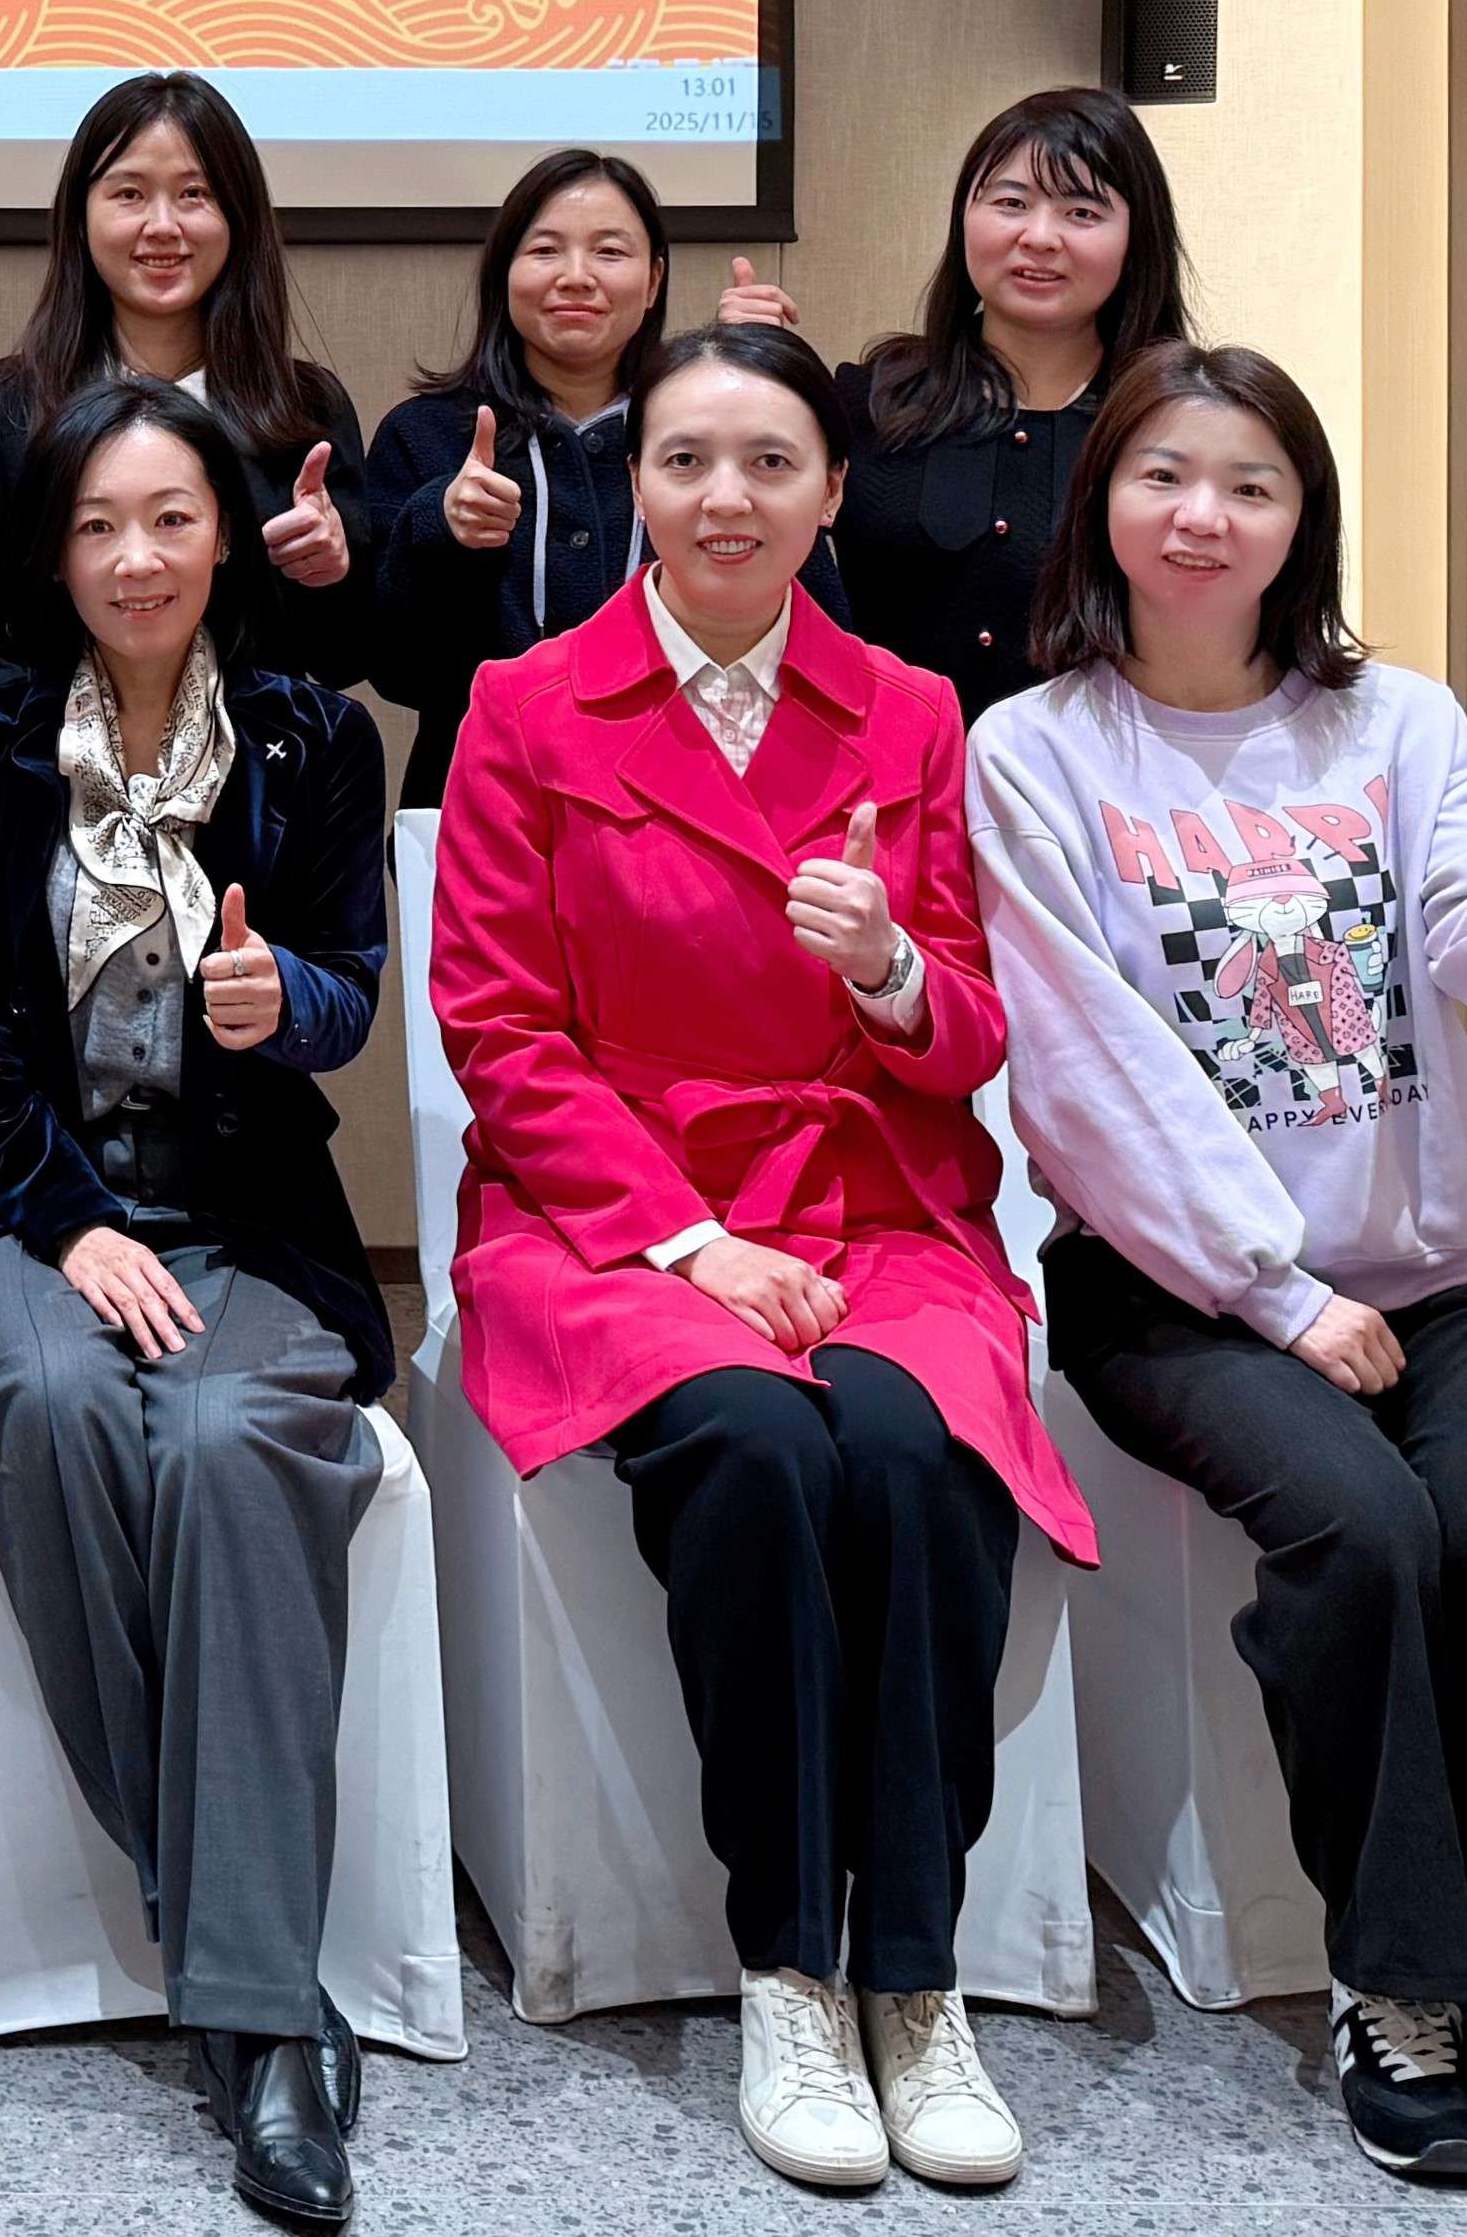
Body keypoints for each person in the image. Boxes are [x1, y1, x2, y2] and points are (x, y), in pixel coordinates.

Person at [976, 344, 1467, 2200]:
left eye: (1252, 484)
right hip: (1181, 1285)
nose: (1202, 517)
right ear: (1101, 503)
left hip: (1466, 1265)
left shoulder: (1397, 722)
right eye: (1163, 475)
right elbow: (1084, 1072)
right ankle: (1401, 1984)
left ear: (1304, 521)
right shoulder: (1033, 750)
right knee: (1366, 1533)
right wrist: (1278, 1292)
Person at [421, 320, 1094, 2198]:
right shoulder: (526, 704)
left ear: (833, 491)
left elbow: (972, 1029)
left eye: (772, 462)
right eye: (688, 460)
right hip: (612, 1213)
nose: (728, 497)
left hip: (873, 1199)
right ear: (634, 482)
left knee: (914, 1452)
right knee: (755, 1443)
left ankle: (915, 1975)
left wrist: (886, 967)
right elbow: (498, 1026)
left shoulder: (911, 711)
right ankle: (791, 1965)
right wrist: (693, 1240)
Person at [0, 381, 393, 2229]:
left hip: (248, 1220)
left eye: (170, 516)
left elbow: (348, 982)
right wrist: (69, 1219)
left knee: (232, 1429)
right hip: (31, 1218)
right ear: (55, 550)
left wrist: (282, 1006)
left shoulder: (312, 735)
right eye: (98, 522)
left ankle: (248, 2010)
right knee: (57, 1402)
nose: (136, 556)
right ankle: (254, 1967)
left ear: (226, 532)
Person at [723, 85, 1194, 723]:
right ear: (964, 219)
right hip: (884, 767)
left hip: (1099, 775)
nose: (1039, 236)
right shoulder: (871, 403)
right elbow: (753, 555)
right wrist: (746, 385)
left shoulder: (1178, 424)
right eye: (1010, 203)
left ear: (1138, 235)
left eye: (1082, 212)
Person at [0, 71, 370, 694]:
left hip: (257, 751)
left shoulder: (304, 409)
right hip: (54, 749)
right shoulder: (11, 410)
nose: (163, 225)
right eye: (129, 194)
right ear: (80, 216)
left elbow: (347, 658)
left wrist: (329, 572)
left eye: (195, 193)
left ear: (238, 215)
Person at [355, 147, 677, 813]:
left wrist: (760, 390)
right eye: (545, 250)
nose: (576, 277)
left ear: (652, 282)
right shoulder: (426, 435)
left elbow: (818, 636)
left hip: (676, 798)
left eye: (610, 252)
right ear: (503, 272)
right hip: (480, 802)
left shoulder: (701, 437)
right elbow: (394, 673)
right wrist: (440, 528)